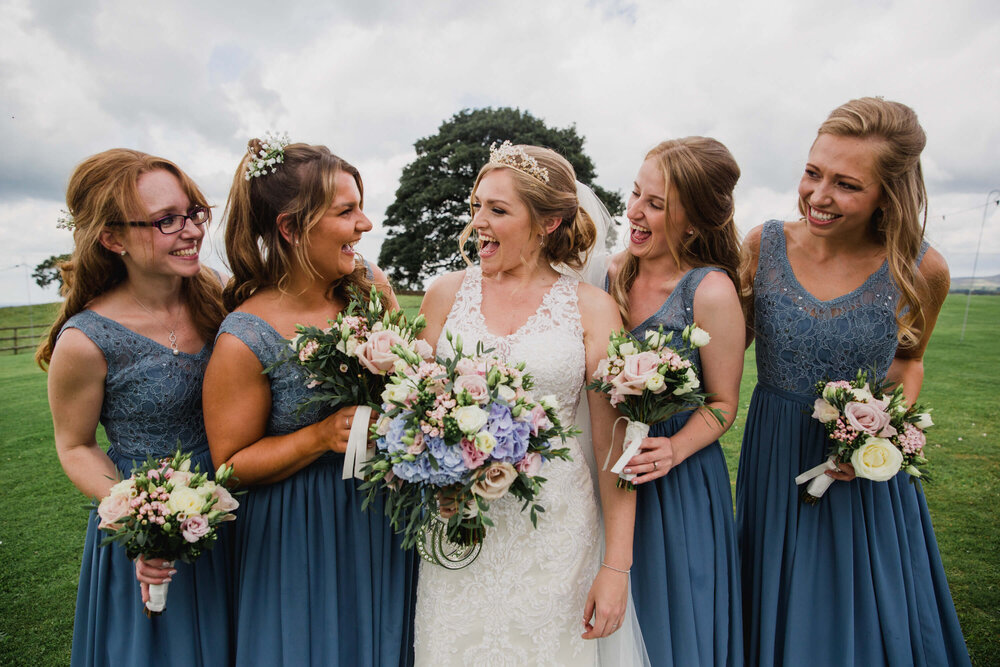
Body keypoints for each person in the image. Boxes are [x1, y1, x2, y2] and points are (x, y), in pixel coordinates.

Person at [736, 97, 971, 666]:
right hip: (777, 457)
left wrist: (878, 436)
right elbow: (723, 351)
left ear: (887, 194)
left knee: (867, 614)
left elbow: (908, 363)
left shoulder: (921, 268)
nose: (818, 196)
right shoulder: (761, 248)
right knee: (774, 595)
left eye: (846, 184)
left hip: (863, 472)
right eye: (813, 173)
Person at [414, 142, 645, 665]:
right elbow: (415, 411)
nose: (478, 223)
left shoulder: (592, 309)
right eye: (476, 207)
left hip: (557, 532)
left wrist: (616, 567)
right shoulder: (445, 295)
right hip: (459, 527)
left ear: (549, 222)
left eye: (498, 210)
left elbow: (613, 446)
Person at [203, 138, 415, 666]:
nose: (365, 224)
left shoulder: (371, 290)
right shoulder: (243, 337)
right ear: (291, 228)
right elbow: (228, 466)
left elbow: (415, 386)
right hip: (299, 537)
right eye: (346, 212)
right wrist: (318, 437)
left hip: (386, 516)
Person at [38, 149, 232, 666]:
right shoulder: (85, 340)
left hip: (236, 511)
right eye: (166, 220)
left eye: (192, 213)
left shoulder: (216, 297)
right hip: (153, 532)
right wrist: (141, 520)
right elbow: (75, 445)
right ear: (113, 238)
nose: (191, 230)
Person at [605, 137, 745, 666]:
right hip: (612, 464)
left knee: (674, 617)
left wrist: (674, 449)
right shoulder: (614, 273)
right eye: (636, 193)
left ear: (692, 222)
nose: (634, 212)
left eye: (655, 204)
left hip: (680, 479)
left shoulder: (709, 292)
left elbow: (723, 404)